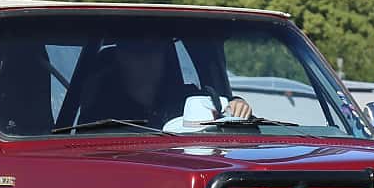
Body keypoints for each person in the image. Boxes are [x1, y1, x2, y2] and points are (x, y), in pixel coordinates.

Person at [84, 39, 252, 128]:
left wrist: (236, 104)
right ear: (120, 57)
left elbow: (219, 113)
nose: (147, 59)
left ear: (164, 57)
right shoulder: (102, 112)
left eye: (154, 50)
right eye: (137, 52)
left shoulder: (188, 100)